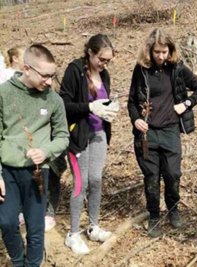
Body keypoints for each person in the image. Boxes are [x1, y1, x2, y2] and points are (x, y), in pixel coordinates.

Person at [127, 28, 197, 238]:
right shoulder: (141, 69)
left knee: (172, 175)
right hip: (148, 133)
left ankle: (173, 209)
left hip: (171, 130)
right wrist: (136, 119)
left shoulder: (177, 69)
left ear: (170, 50)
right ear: (150, 51)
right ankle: (154, 216)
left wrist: (186, 104)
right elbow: (132, 101)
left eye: (164, 51)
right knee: (152, 177)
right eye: (157, 52)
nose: (161, 56)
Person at [0, 44, 69, 267]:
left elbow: (62, 136)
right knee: (7, 222)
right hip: (7, 172)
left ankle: (33, 264)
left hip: (38, 173)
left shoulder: (53, 100)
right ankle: (17, 261)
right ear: (27, 68)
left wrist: (46, 151)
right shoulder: (4, 93)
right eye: (45, 76)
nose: (49, 81)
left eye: (53, 75)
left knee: (35, 225)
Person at [59, 34, 119, 254]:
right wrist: (90, 107)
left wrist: (110, 108)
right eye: (101, 59)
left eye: (108, 61)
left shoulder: (105, 75)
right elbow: (63, 104)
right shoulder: (74, 71)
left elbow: (104, 100)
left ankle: (93, 226)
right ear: (90, 53)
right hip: (79, 137)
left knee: (96, 179)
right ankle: (72, 234)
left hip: (99, 133)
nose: (104, 64)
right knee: (80, 183)